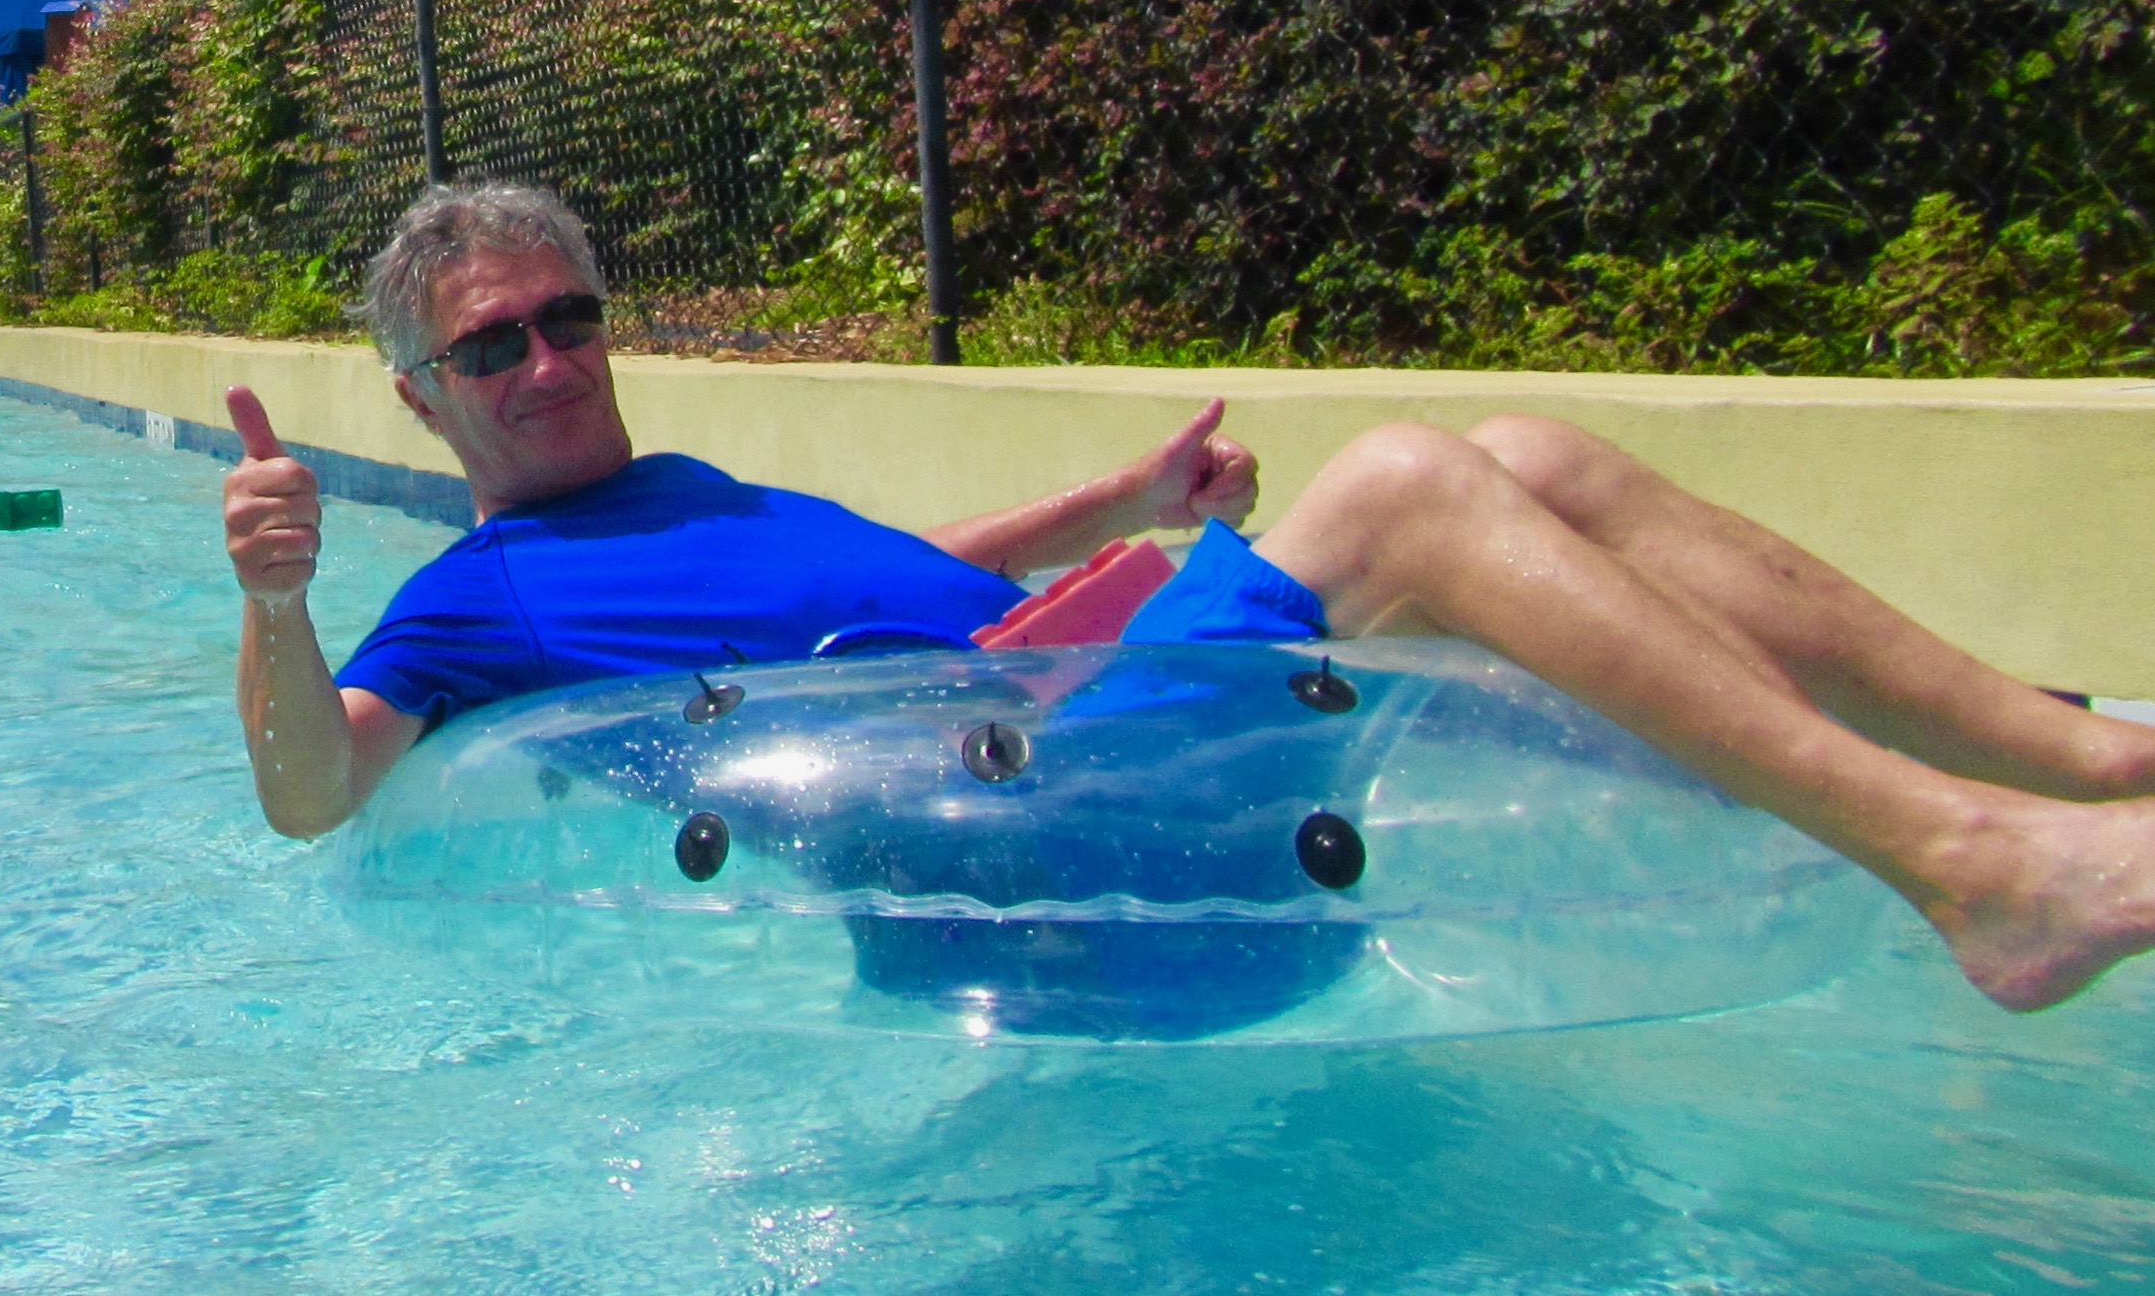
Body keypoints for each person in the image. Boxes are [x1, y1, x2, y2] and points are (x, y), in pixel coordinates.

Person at [221, 182, 2155, 1013]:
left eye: (571, 315)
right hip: (1014, 804)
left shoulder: (688, 491)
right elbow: (316, 791)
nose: (549, 358)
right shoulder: (484, 595)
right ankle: (1971, 873)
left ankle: (2079, 762)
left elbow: (919, 585)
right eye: (495, 346)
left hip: (1054, 698)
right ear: (420, 396)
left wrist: (1121, 505)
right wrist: (280, 602)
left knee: (1533, 455)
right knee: (1402, 484)